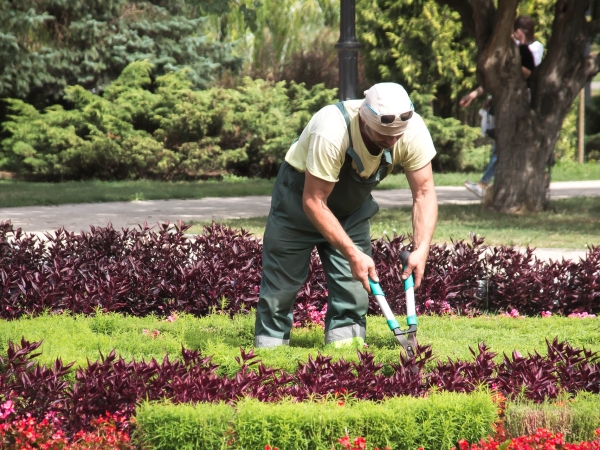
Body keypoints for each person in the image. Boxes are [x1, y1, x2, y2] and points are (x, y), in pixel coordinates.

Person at [254, 83, 438, 348]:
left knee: (354, 291)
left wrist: (421, 249)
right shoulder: (332, 130)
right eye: (384, 135)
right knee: (280, 290)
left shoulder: (411, 129)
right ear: (364, 119)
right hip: (298, 204)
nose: (392, 141)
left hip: (351, 210)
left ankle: (346, 360)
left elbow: (424, 192)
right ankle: (269, 359)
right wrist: (352, 253)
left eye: (397, 135)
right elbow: (314, 201)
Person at [461, 15, 543, 198]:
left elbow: (528, 72)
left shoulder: (532, 49)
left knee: (504, 145)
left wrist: (518, 49)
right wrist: (475, 94)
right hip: (504, 102)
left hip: (521, 101)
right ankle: (486, 184)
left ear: (520, 32)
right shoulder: (515, 50)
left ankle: (484, 184)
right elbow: (499, 76)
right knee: (501, 143)